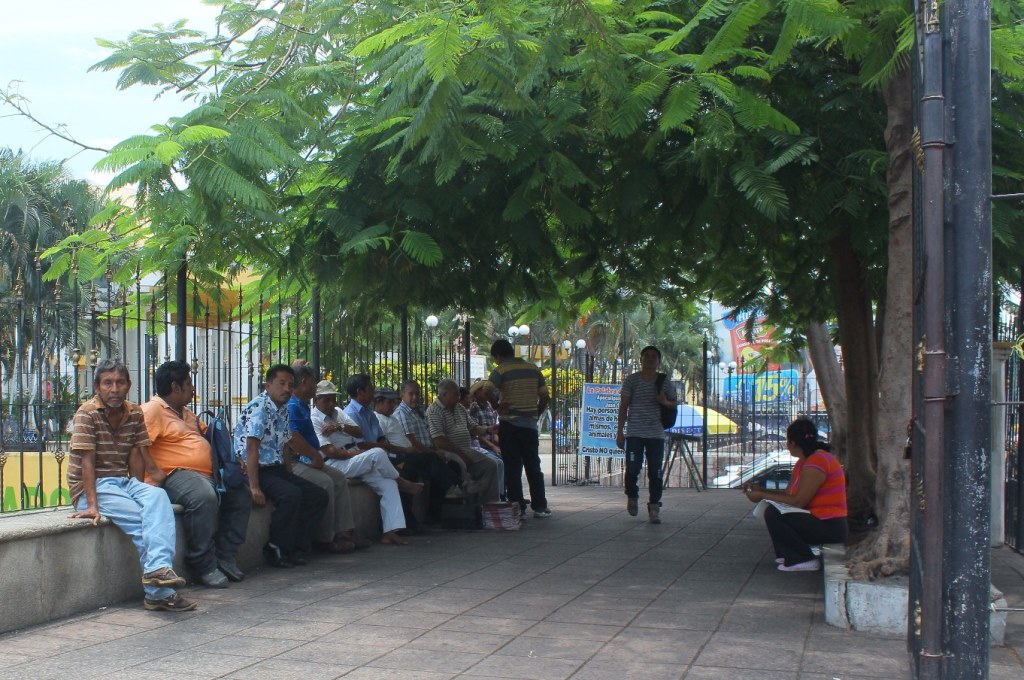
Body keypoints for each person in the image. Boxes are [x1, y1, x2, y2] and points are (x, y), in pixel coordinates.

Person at [68, 359, 195, 612]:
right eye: (107, 383)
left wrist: (139, 491)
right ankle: (159, 590)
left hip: (123, 483)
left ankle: (157, 576)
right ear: (97, 387)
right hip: (92, 486)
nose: (114, 388)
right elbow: (87, 463)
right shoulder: (87, 413)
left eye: (120, 382)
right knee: (143, 520)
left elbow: (136, 455)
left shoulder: (135, 412)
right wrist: (92, 505)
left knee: (158, 499)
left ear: (128, 385)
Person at [142, 360, 251, 587]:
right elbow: (138, 443)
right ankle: (203, 564)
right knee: (203, 496)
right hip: (175, 474)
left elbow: (207, 434)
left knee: (240, 492)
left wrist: (232, 460)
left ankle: (225, 555)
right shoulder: (153, 410)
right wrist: (154, 473)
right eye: (189, 383)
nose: (193, 388)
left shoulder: (185, 412)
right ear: (176, 387)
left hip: (207, 473)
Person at [235, 364, 328, 568]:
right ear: (268, 385)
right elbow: (251, 449)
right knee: (290, 495)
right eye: (281, 383)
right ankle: (275, 547)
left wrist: (289, 473)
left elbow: (285, 444)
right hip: (256, 469)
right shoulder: (260, 408)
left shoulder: (283, 408)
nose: (287, 389)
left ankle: (298, 548)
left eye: (290, 385)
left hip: (276, 468)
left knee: (317, 495)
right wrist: (254, 486)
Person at [311, 379, 419, 545]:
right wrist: (353, 454)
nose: (331, 403)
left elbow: (358, 431)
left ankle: (390, 532)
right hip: (337, 463)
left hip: (355, 457)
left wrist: (340, 426)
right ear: (317, 400)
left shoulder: (339, 412)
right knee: (377, 453)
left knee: (388, 484)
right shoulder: (314, 419)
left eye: (333, 399)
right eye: (326, 400)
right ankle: (401, 481)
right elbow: (330, 451)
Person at [744, 418, 848, 571]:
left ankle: (803, 559)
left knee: (774, 513)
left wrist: (762, 496)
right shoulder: (804, 461)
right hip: (817, 520)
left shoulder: (817, 461)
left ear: (792, 443)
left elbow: (799, 501)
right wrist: (762, 490)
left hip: (830, 526)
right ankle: (788, 554)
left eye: (787, 441)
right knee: (772, 509)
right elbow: (788, 494)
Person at [287, 364, 369, 553]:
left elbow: (358, 432)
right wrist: (314, 455)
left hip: (310, 458)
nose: (315, 387)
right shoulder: (294, 405)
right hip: (298, 460)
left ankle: (345, 531)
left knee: (339, 478)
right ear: (305, 382)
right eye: (314, 383)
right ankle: (325, 538)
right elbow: (293, 438)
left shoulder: (301, 405)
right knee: (325, 482)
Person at [489, 339, 551, 518]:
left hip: (509, 425)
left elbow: (486, 389)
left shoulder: (500, 370)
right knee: (533, 465)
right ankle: (540, 506)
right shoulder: (533, 369)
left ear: (499, 356)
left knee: (512, 467)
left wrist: (496, 406)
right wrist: (536, 413)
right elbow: (545, 396)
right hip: (529, 426)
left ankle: (517, 506)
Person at [615, 345, 678, 524]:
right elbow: (623, 406)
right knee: (633, 468)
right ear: (641, 359)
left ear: (658, 361)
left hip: (656, 434)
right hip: (635, 432)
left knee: (656, 472)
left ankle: (654, 506)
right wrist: (620, 432)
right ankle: (632, 495)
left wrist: (664, 401)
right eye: (646, 356)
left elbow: (674, 403)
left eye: (653, 357)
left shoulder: (664, 381)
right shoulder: (632, 380)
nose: (650, 359)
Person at [390, 379, 461, 522]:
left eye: (417, 394)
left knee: (452, 464)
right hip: (413, 454)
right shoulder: (401, 413)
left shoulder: (418, 412)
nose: (415, 397)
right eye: (411, 394)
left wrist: (436, 450)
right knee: (435, 463)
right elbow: (412, 441)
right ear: (402, 395)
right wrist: (433, 453)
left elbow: (429, 436)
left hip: (427, 452)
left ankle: (439, 512)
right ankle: (456, 486)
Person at [426, 379, 501, 504]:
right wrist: (462, 454)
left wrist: (489, 429)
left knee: (491, 465)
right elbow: (439, 441)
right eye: (456, 394)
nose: (459, 397)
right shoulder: (434, 411)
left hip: (466, 449)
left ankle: (488, 505)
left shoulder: (459, 408)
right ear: (444, 395)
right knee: (461, 463)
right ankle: (466, 499)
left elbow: (473, 427)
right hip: (447, 451)